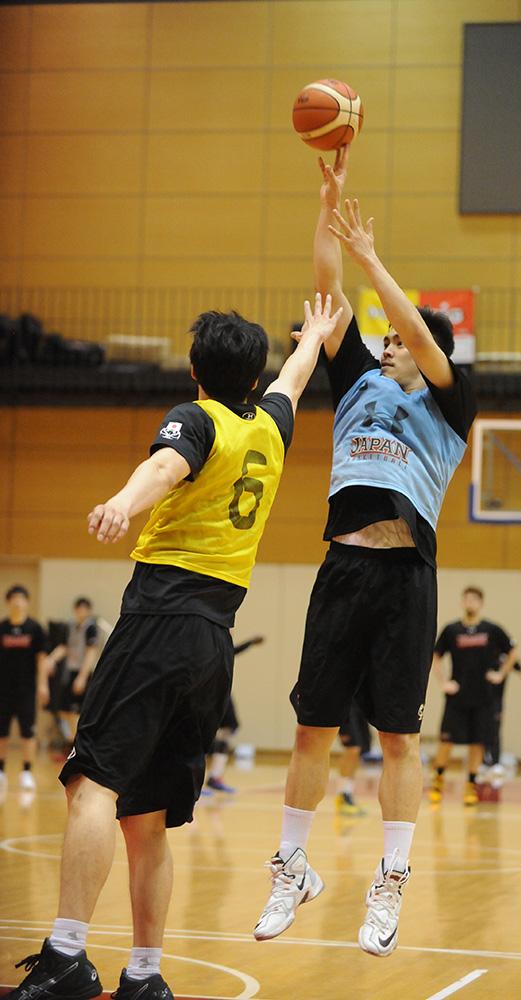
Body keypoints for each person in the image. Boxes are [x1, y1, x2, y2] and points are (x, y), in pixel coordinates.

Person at [6, 293, 342, 1000]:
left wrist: (120, 505)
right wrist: (313, 337)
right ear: (253, 377)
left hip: (159, 620)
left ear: (194, 370)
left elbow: (164, 468)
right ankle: (144, 974)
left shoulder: (196, 419)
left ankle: (67, 956)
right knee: (148, 817)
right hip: (212, 641)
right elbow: (293, 381)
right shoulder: (271, 428)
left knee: (92, 784)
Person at [254, 146, 477, 957]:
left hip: (406, 577)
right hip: (342, 569)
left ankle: (390, 880)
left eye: (398, 342)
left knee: (399, 739)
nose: (386, 344)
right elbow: (328, 293)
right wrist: (328, 205)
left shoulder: (452, 405)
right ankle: (291, 867)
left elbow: (416, 330)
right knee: (311, 728)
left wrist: (373, 259)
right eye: (382, 339)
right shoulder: (357, 382)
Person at [429, 586, 520, 807]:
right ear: (462, 602)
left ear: (481, 603)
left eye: (474, 599)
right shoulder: (452, 630)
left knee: (477, 743)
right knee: (446, 741)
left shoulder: (491, 629)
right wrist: (443, 682)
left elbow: (513, 651)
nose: (470, 603)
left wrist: (500, 674)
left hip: (483, 697)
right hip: (457, 697)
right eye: (467, 599)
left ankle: (471, 785)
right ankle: (438, 780)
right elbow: (435, 655)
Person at [0, 585, 48, 795]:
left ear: (27, 602)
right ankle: (1, 771)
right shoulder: (2, 628)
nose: (18, 602)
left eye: (22, 598)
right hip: (3, 690)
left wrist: (43, 685)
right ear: (8, 602)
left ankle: (27, 772)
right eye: (14, 598)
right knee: (1, 732)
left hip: (26, 690)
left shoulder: (35, 629)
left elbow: (41, 659)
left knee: (28, 732)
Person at [205, 634, 265, 794]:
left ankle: (215, 777)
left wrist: (249, 643)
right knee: (201, 737)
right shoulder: (204, 647)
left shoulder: (221, 648)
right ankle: (195, 783)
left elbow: (233, 650)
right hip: (206, 694)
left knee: (228, 730)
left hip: (221, 694)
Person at [45, 597, 99, 748]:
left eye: (84, 609)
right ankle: (72, 741)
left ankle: (79, 746)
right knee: (64, 710)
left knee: (78, 712)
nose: (81, 612)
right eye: (79, 608)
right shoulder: (70, 626)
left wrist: (82, 677)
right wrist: (51, 659)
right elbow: (64, 647)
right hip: (70, 672)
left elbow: (91, 653)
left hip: (84, 673)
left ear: (88, 611)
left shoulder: (91, 628)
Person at [480, 654, 521, 787]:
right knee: (481, 728)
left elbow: (520, 669)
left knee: (495, 729)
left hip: (496, 701)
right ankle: (483, 761)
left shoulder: (506, 656)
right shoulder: (485, 651)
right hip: (480, 698)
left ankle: (495, 763)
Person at [336, 701, 371, 817]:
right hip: (346, 704)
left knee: (359, 750)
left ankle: (348, 793)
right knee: (352, 748)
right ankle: (342, 794)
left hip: (360, 704)